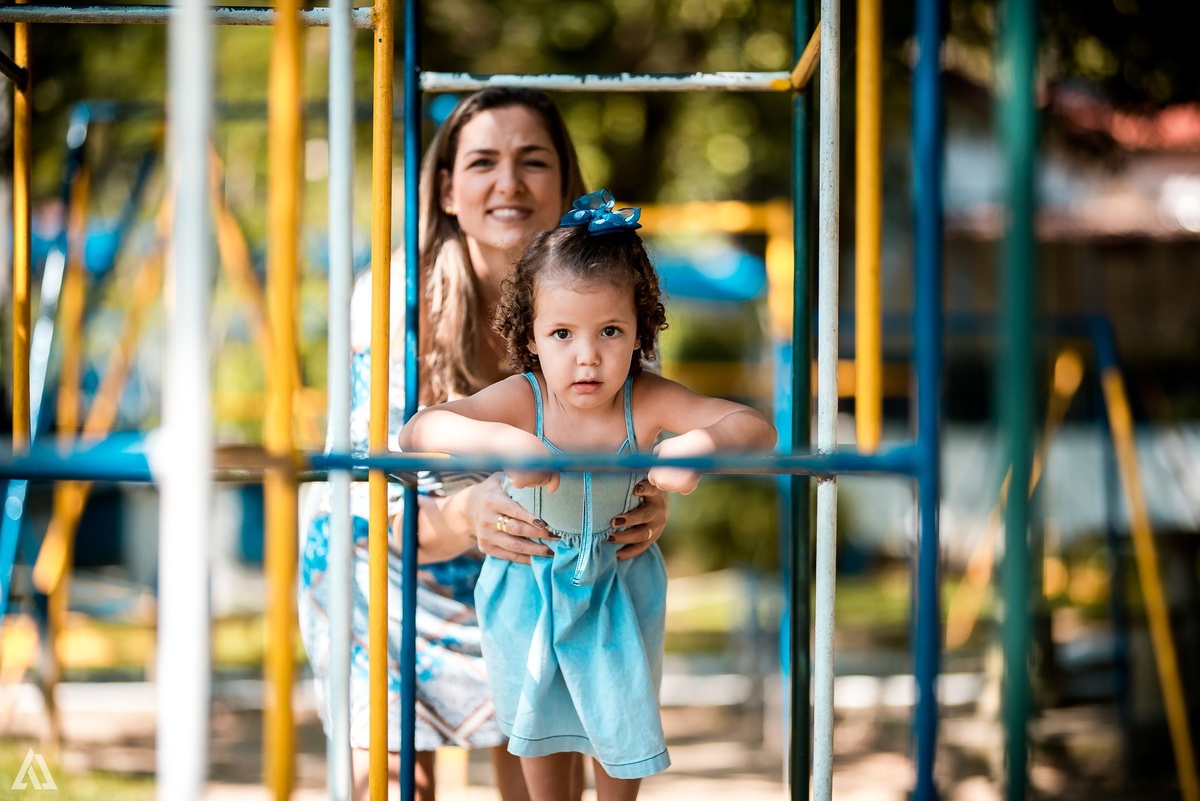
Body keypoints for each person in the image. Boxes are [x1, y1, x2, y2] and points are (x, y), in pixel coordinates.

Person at [298, 89, 670, 801]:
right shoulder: (396, 298)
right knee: (395, 780)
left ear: (565, 184)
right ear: (446, 189)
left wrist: (646, 501)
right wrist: (469, 514)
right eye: (482, 162)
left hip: (534, 568)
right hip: (388, 559)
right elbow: (375, 492)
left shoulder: (605, 296)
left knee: (536, 773)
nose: (509, 183)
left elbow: (638, 433)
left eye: (533, 161)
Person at [399, 190, 778, 801]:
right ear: (531, 337)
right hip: (528, 595)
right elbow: (419, 429)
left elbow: (754, 425)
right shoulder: (524, 399)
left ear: (640, 332)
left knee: (620, 748)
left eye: (610, 331)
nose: (587, 357)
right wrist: (501, 440)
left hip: (618, 595)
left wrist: (698, 448)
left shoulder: (644, 399)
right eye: (562, 333)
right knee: (542, 751)